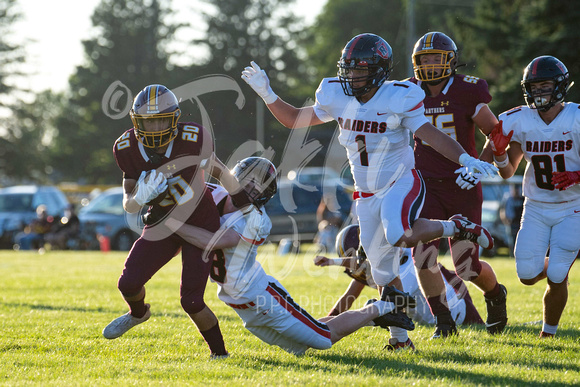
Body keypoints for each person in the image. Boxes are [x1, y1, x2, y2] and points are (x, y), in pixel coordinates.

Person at [241, 33, 498, 349]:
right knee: (382, 271)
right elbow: (295, 119)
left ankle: (457, 227)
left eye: (360, 69)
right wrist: (267, 94)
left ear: (379, 69)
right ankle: (400, 340)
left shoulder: (399, 96)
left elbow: (432, 135)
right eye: (349, 69)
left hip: (400, 183)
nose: (352, 76)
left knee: (398, 235)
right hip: (365, 193)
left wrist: (466, 158)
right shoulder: (337, 95)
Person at [164, 157, 415, 355]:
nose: (251, 188)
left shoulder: (256, 220)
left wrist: (170, 223)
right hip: (241, 305)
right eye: (248, 180)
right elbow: (189, 181)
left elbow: (211, 242)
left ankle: (382, 306)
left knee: (322, 339)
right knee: (304, 342)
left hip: (263, 296)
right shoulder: (216, 195)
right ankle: (372, 316)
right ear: (236, 177)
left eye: (259, 185)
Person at [104, 84, 250, 358]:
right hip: (161, 222)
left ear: (175, 119)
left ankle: (220, 354)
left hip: (200, 221)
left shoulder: (192, 138)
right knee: (128, 284)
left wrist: (245, 205)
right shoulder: (127, 147)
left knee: (192, 301)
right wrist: (140, 196)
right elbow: (128, 201)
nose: (155, 127)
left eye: (161, 120)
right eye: (148, 121)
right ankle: (138, 314)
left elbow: (219, 171)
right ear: (136, 121)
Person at [408, 32, 508, 338]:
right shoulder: (407, 91)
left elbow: (497, 133)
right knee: (422, 255)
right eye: (425, 58)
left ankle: (495, 294)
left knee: (466, 265)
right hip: (425, 186)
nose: (430, 64)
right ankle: (444, 321)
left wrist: (479, 169)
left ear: (450, 60)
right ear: (415, 62)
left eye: (436, 57)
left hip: (462, 184)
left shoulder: (467, 89)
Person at [488, 55, 580, 338]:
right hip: (536, 206)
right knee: (527, 275)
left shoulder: (576, 117)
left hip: (573, 206)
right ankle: (559, 264)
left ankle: (548, 332)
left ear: (560, 86)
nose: (539, 92)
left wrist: (577, 176)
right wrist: (500, 155)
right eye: (534, 87)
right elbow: (507, 172)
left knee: (556, 276)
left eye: (545, 86)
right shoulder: (520, 119)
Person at [314, 224, 483, 327]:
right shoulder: (387, 258)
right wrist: (327, 322)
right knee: (379, 308)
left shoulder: (402, 265)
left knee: (377, 308)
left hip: (455, 316)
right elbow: (349, 295)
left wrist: (331, 326)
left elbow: (363, 265)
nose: (357, 268)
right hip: (448, 308)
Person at [499, 183, 524, 257]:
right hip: (512, 222)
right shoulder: (508, 199)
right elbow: (502, 210)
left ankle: (520, 255)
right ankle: (512, 255)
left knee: (521, 240)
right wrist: (505, 220)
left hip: (521, 222)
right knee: (512, 240)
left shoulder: (522, 199)